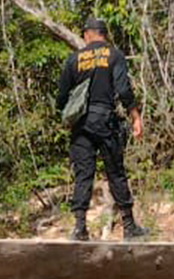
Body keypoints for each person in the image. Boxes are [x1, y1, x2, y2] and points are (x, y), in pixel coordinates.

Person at [55, 17, 145, 241]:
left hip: (81, 125)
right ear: (104, 34)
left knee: (83, 174)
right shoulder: (114, 55)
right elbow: (123, 90)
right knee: (115, 172)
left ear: (87, 35)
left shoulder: (74, 59)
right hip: (105, 120)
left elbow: (60, 98)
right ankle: (129, 226)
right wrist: (135, 116)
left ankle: (79, 228)